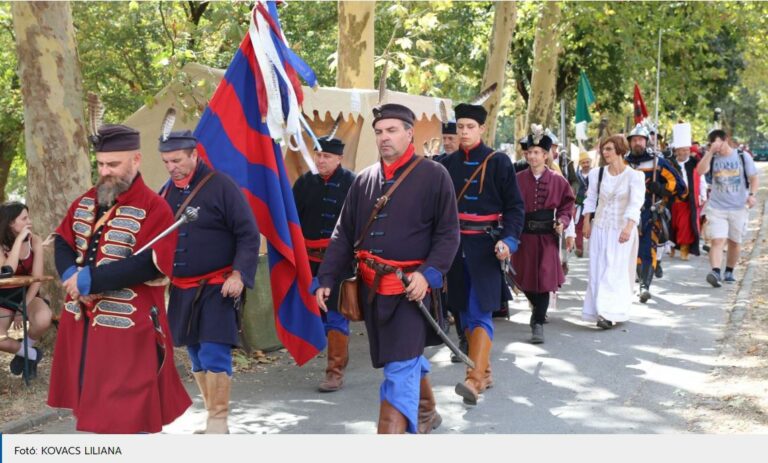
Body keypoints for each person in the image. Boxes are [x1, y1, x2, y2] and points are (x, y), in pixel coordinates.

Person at [314, 103, 460, 434]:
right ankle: (426, 412)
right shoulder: (364, 179)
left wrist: (428, 274)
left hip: (412, 292)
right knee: (402, 361)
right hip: (371, 291)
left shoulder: (435, 176)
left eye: (392, 130)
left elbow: (448, 235)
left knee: (398, 370)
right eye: (379, 132)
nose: (384, 138)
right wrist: (326, 278)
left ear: (410, 132)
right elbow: (343, 234)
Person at [48, 123, 191, 433]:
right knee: (91, 411)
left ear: (136, 160)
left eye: (113, 164)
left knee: (130, 415)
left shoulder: (155, 207)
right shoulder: (86, 200)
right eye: (100, 164)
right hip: (82, 326)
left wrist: (90, 281)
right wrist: (71, 275)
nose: (105, 171)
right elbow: (62, 240)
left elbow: (149, 264)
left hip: (128, 328)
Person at [159, 126, 261, 433]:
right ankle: (212, 418)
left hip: (218, 287)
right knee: (195, 354)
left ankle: (219, 421)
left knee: (214, 350)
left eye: (177, 160)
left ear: (194, 154)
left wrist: (239, 273)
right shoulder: (164, 192)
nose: (171, 167)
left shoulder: (221, 186)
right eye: (166, 162)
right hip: (181, 289)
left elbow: (248, 233)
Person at [439, 102, 524, 406]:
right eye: (460, 127)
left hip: (487, 249)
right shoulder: (446, 165)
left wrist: (509, 241)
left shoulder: (499, 162)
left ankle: (473, 381)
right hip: (454, 249)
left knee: (479, 311)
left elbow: (515, 207)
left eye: (470, 127)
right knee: (462, 313)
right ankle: (484, 372)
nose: (463, 132)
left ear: (482, 128)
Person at [293, 135, 355, 392]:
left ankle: (335, 372)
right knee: (315, 315)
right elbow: (292, 220)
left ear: (339, 158)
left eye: (327, 156)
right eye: (318, 154)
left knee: (336, 316)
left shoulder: (353, 183)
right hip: (309, 261)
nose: (321, 160)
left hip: (340, 262)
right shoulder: (305, 182)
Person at [512, 126, 575, 343]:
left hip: (548, 236)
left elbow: (568, 204)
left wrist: (563, 222)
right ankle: (537, 310)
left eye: (536, 152)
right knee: (522, 277)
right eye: (529, 152)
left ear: (546, 155)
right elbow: (509, 206)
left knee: (545, 279)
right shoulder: (518, 179)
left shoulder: (558, 180)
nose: (531, 156)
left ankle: (537, 322)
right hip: (524, 236)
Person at [581, 136, 645, 328]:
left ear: (620, 150)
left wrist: (628, 227)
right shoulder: (597, 174)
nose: (604, 153)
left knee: (614, 270)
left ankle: (609, 313)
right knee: (597, 269)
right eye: (603, 149)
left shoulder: (634, 176)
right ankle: (598, 310)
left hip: (621, 229)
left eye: (609, 149)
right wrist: (586, 221)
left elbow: (636, 203)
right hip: (600, 227)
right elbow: (591, 199)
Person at [624, 123, 686, 303]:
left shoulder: (657, 162)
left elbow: (678, 185)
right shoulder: (625, 162)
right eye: (634, 140)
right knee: (631, 249)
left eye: (640, 140)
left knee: (647, 247)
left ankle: (645, 285)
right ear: (630, 142)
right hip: (627, 213)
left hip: (650, 211)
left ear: (646, 141)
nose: (637, 143)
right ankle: (637, 280)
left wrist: (661, 189)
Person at [697, 128, 759, 287]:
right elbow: (699, 171)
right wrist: (710, 153)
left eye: (720, 143)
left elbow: (753, 178)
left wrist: (752, 195)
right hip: (717, 208)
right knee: (717, 240)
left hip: (739, 207)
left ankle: (729, 271)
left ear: (726, 140)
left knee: (734, 242)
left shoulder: (742, 156)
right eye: (714, 144)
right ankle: (716, 272)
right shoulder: (712, 157)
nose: (718, 147)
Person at [0, 202, 53, 380]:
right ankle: (31, 355)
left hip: (28, 294)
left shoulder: (35, 241)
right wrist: (17, 241)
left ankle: (24, 351)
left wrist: (22, 307)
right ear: (10, 223)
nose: (29, 222)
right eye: (24, 218)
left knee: (44, 318)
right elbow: (6, 273)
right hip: (4, 296)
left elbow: (37, 278)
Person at [669, 139, 702, 260]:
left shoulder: (694, 162)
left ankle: (684, 249)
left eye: (687, 149)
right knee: (671, 225)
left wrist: (702, 194)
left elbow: (700, 178)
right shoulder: (670, 163)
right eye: (683, 150)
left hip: (689, 200)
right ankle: (671, 247)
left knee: (685, 226)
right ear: (677, 151)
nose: (686, 152)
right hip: (672, 199)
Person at [573, 151, 593, 257]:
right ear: (580, 164)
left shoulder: (596, 173)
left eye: (587, 162)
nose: (586, 164)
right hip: (580, 203)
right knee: (578, 226)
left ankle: (594, 249)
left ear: (590, 162)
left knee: (593, 225)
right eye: (583, 163)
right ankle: (579, 248)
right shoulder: (576, 175)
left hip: (594, 203)